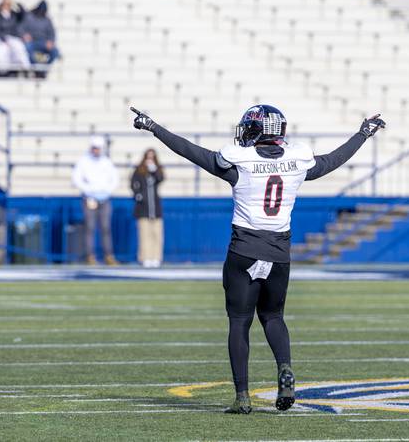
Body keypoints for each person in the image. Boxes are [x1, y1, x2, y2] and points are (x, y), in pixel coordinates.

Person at [131, 104, 385, 414]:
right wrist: (362, 134)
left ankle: (242, 397)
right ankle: (285, 367)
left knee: (239, 322)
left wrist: (154, 127)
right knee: (274, 317)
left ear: (254, 131)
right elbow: (333, 160)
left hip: (245, 250)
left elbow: (191, 152)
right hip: (280, 252)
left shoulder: (240, 162)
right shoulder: (297, 162)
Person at [71, 136, 120, 266]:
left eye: (98, 148)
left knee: (105, 228)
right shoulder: (83, 161)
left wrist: (106, 191)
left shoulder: (106, 162)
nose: (96, 151)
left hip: (104, 198)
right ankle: (90, 255)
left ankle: (108, 255)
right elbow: (77, 179)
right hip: (89, 198)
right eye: (94, 148)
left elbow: (114, 179)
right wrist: (89, 190)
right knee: (90, 228)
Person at [131, 149, 165, 268]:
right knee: (144, 235)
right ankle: (145, 257)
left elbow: (161, 179)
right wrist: (138, 195)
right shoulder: (139, 170)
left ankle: (156, 257)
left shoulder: (157, 170)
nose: (149, 160)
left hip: (156, 210)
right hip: (143, 209)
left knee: (156, 234)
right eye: (147, 157)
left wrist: (154, 170)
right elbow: (133, 184)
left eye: (152, 157)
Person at [0, 0, 30, 72]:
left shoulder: (13, 14)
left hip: (12, 37)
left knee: (19, 48)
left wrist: (17, 4)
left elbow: (24, 15)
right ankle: (2, 72)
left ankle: (25, 69)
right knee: (2, 52)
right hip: (1, 38)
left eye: (8, 4)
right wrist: (3, 38)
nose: (6, 6)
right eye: (5, 4)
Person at [19, 0, 59, 77]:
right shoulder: (29, 17)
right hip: (32, 42)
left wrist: (51, 41)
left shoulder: (47, 20)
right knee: (27, 48)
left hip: (43, 42)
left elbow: (52, 33)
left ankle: (43, 69)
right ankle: (35, 68)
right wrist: (24, 35)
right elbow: (20, 28)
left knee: (55, 52)